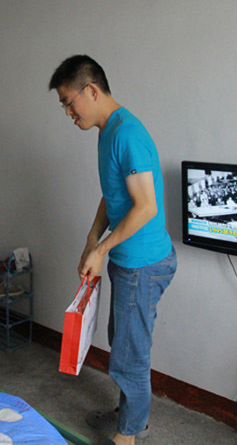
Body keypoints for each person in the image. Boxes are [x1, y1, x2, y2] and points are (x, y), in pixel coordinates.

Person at [49, 55, 177, 445]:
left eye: (69, 102)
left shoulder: (127, 134)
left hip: (144, 263)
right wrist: (92, 242)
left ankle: (129, 435)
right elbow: (113, 196)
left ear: (91, 90)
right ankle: (129, 415)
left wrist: (101, 249)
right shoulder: (108, 131)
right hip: (127, 260)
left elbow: (146, 206)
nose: (68, 112)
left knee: (129, 354)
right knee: (121, 341)